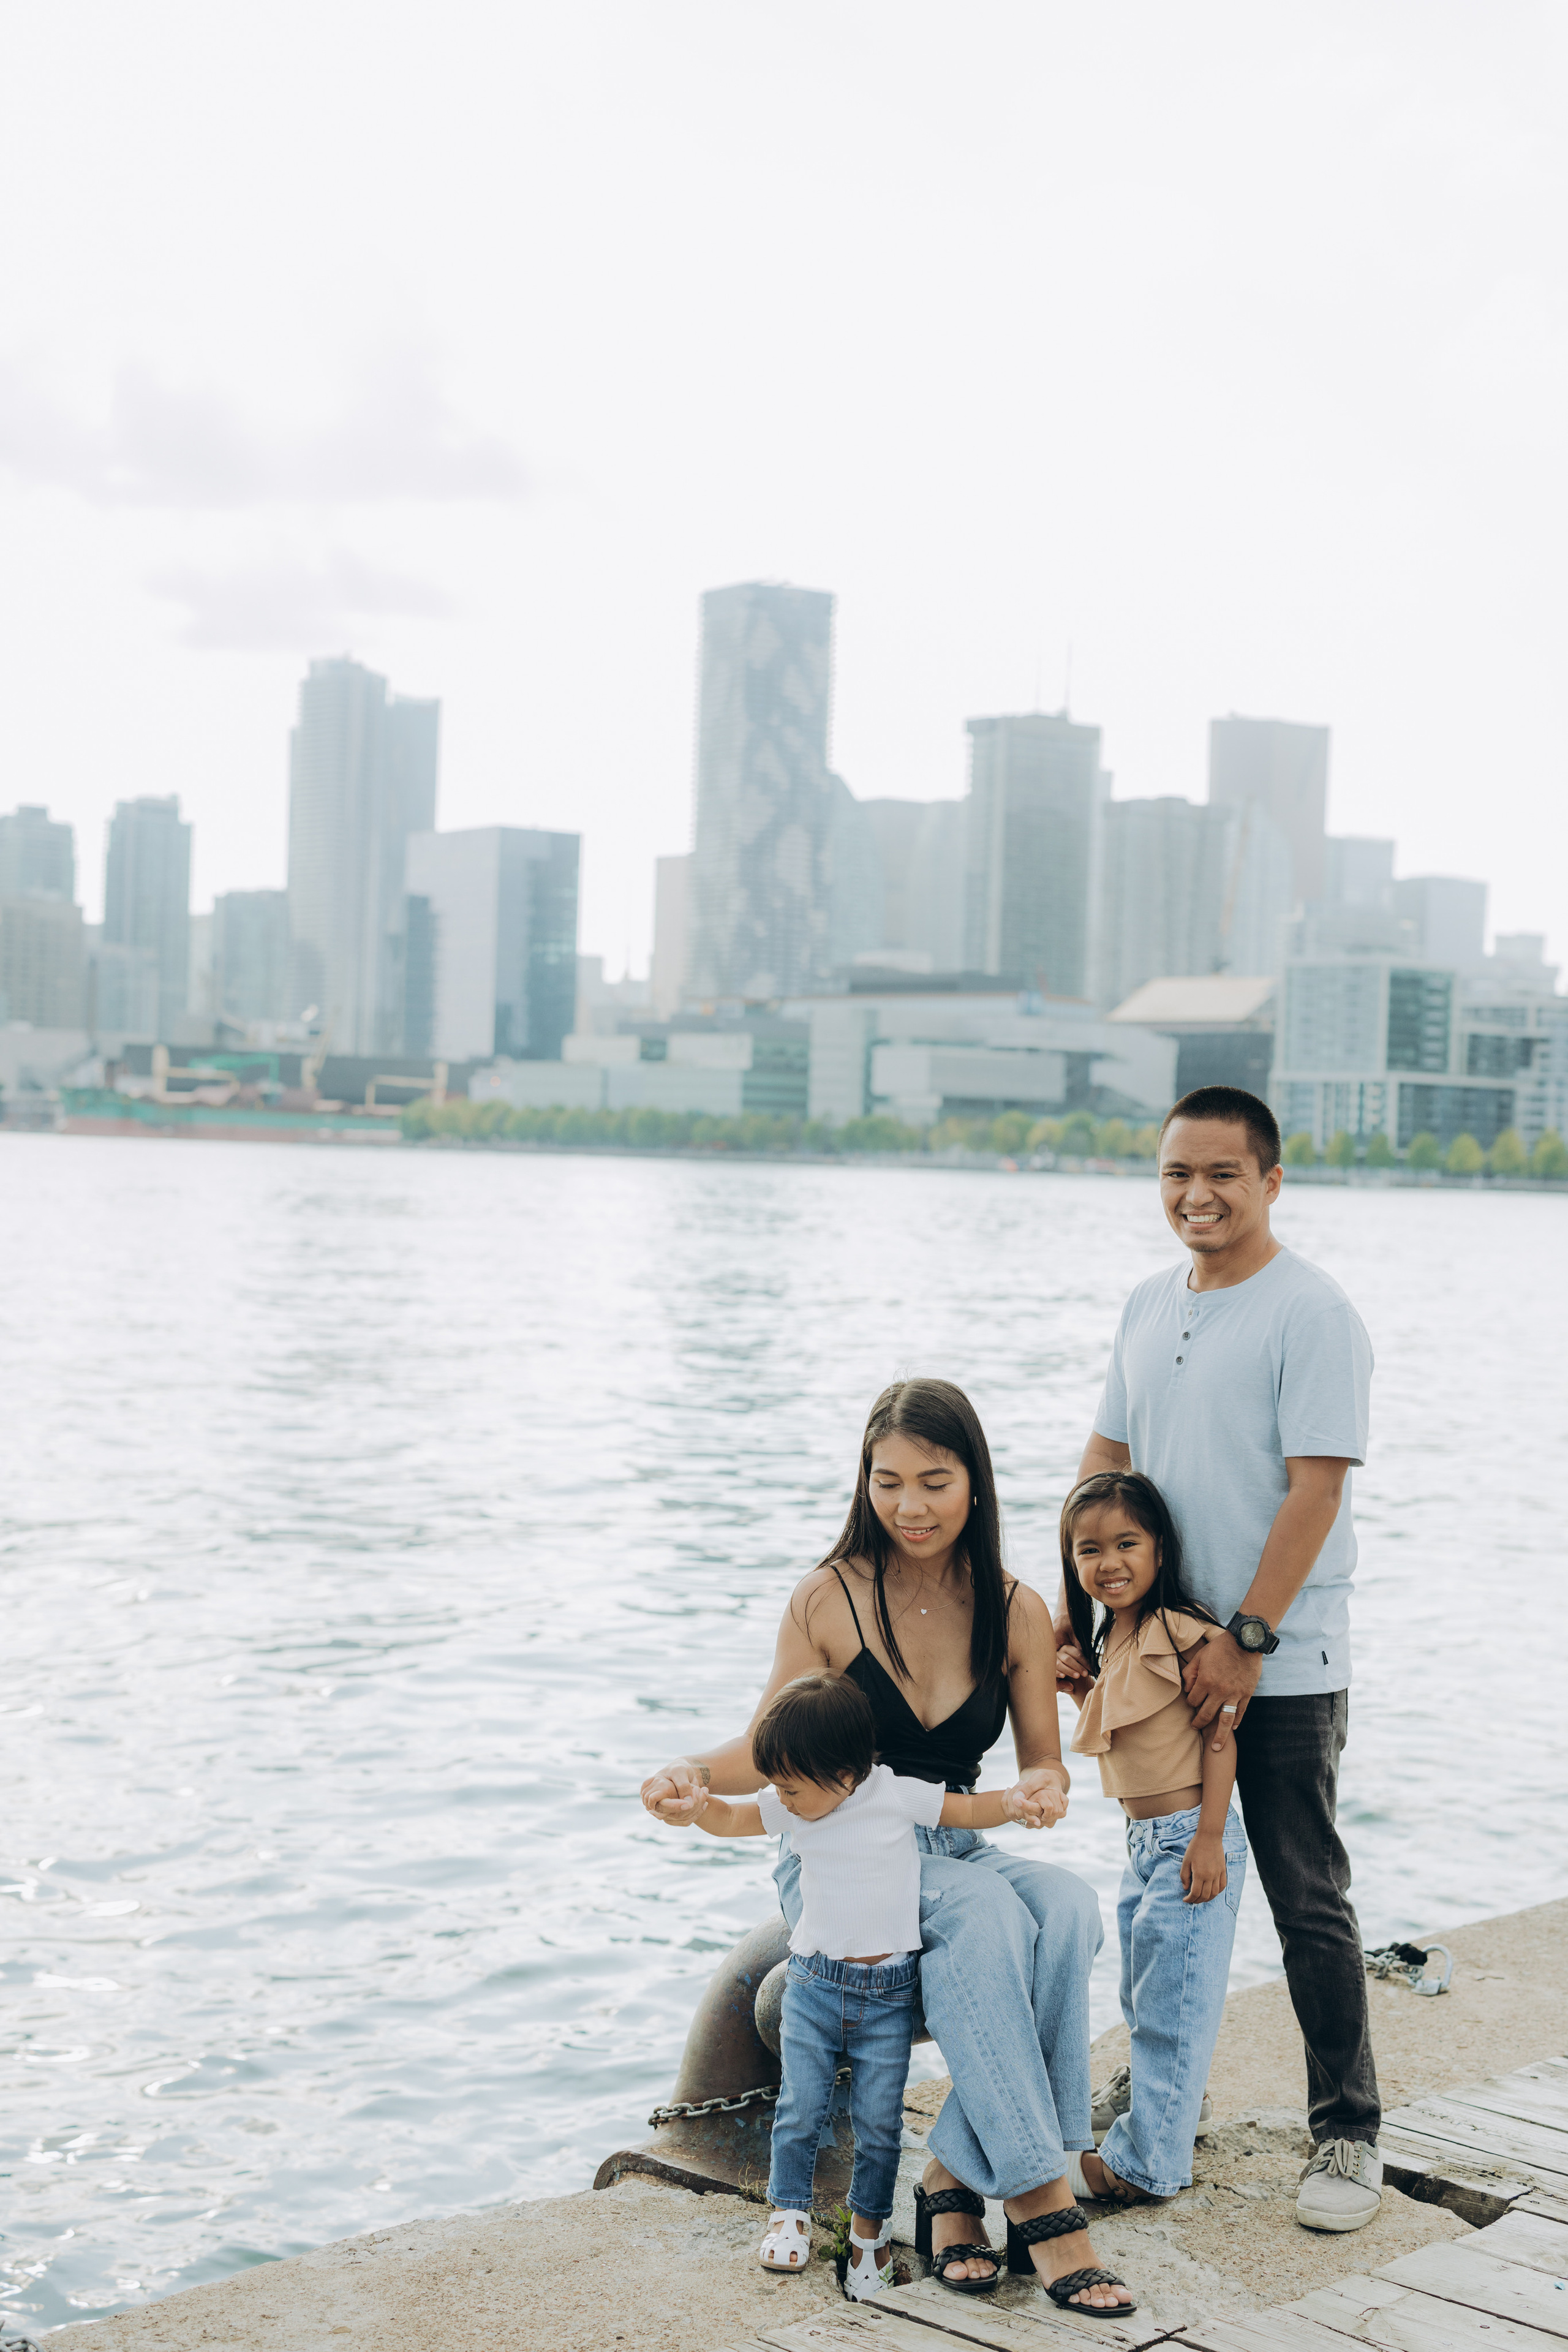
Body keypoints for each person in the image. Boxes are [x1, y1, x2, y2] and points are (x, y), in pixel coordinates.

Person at [643, 1378, 1139, 2318]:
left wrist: (1043, 1790)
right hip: (836, 1853)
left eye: (935, 1482)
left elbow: (1043, 1763)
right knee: (990, 1911)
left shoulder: (1016, 1607)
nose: (909, 1506)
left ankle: (950, 2179)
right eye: (888, 1481)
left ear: (976, 1486)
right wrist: (688, 1773)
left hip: (951, 1838)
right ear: (864, 1482)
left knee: (1066, 1906)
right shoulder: (827, 1597)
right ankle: (1043, 2199)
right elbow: (767, 1748)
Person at [1056, 1084, 1382, 2233]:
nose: (1197, 1196)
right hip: (1157, 1663)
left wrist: (1247, 1642)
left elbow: (1318, 1488)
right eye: (1175, 1176)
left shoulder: (1311, 1312)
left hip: (1276, 1665)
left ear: (1271, 1181)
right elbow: (1108, 1459)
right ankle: (1158, 2091)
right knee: (1164, 1894)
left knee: (1305, 1897)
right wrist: (1076, 1619)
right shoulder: (1148, 1304)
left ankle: (1347, 2131)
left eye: (1223, 1175)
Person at [662, 1667, 1049, 2300]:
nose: (779, 1797)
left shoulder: (894, 1794)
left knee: (878, 2124)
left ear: (844, 1775)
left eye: (788, 1786)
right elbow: (733, 1821)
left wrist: (1016, 1801)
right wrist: (699, 1808)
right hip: (813, 1987)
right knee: (799, 2109)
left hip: (887, 1997)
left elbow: (967, 1807)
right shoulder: (794, 1807)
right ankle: (788, 2214)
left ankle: (867, 2233)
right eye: (776, 1786)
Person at [1058, 1468, 1246, 2205]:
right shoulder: (1120, 1635)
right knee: (1145, 1996)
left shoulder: (1180, 1629)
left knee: (1173, 2009)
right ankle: (1170, 2117)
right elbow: (1130, 1728)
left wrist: (1207, 1836)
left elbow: (1219, 1737)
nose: (1108, 1563)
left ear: (1160, 1550)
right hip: (1144, 1845)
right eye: (1088, 1550)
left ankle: (1143, 2168)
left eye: (1126, 1543)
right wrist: (1083, 1689)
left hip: (1187, 1839)